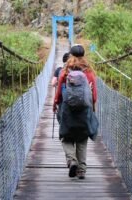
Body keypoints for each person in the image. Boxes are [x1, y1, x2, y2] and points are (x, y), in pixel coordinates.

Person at [53, 44, 98, 179]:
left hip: (67, 109)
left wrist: (55, 103)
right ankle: (82, 170)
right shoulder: (88, 71)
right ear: (84, 56)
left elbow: (59, 91)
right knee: (82, 138)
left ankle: (72, 160)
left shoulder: (66, 70)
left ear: (71, 56)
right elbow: (94, 95)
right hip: (84, 110)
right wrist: (92, 106)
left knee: (66, 137)